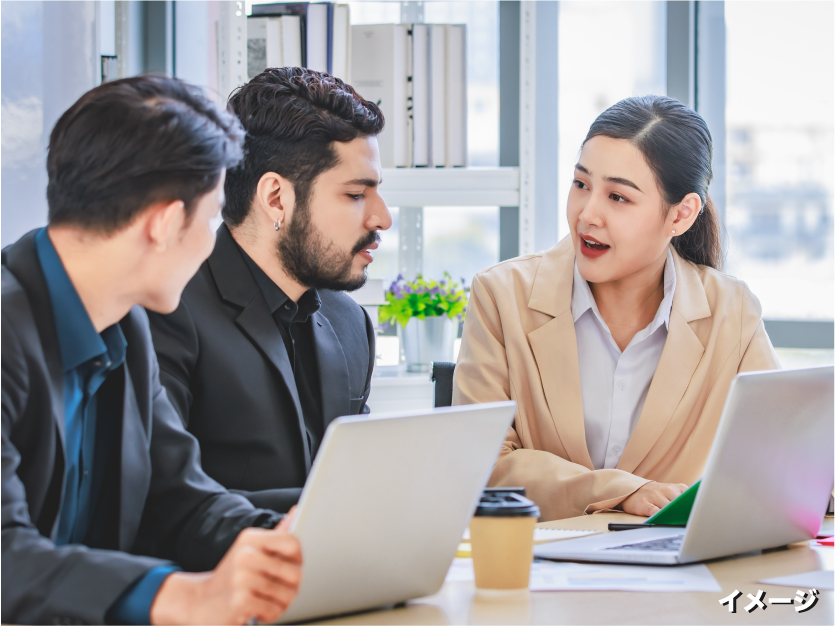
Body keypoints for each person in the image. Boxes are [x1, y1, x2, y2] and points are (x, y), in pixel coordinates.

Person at [2, 76, 302, 625]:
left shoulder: (126, 327)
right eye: (212, 217)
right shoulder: (6, 331)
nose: (213, 239)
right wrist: (184, 598)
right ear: (165, 223)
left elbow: (178, 497)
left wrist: (281, 542)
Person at [453, 96, 779, 522]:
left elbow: (782, 456)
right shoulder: (501, 296)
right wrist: (620, 491)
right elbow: (483, 464)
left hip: (681, 574)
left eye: (618, 197)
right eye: (581, 184)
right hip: (543, 570)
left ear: (681, 215)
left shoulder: (731, 311)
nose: (587, 214)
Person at [146, 68, 391, 514]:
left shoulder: (349, 322)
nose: (382, 218)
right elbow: (163, 505)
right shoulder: (165, 309)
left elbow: (351, 476)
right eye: (357, 194)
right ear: (276, 198)